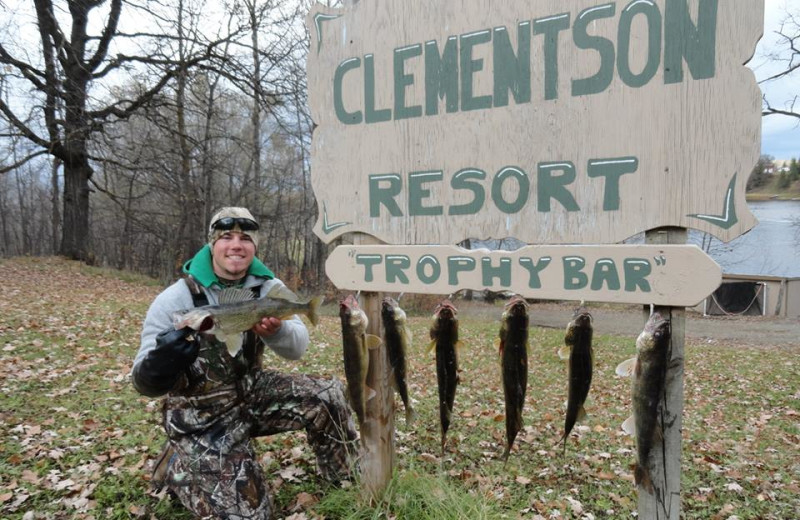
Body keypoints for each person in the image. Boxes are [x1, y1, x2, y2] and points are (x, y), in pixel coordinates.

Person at [132, 207, 357, 519]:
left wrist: (277, 332)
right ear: (212, 244)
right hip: (202, 417)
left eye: (245, 238)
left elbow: (298, 347)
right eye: (226, 237)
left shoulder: (268, 287)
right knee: (250, 515)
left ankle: (343, 479)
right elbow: (142, 380)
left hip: (252, 393)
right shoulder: (177, 298)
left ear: (255, 247)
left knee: (328, 393)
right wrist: (162, 361)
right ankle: (179, 466)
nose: (236, 245)